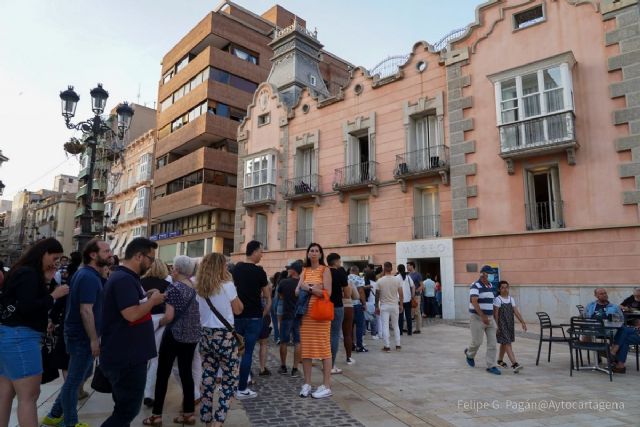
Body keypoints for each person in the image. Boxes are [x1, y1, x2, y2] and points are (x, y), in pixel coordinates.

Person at [43, 239, 112, 427]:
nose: (110, 254)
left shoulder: (88, 274)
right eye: (106, 251)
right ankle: (70, 423)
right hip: (82, 336)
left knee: (79, 376)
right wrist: (93, 340)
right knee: (74, 381)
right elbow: (85, 310)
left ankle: (55, 414)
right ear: (93, 254)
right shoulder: (88, 277)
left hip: (78, 333)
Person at [0, 239, 69, 427]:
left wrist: (46, 281)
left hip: (9, 335)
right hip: (21, 338)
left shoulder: (20, 271)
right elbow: (28, 307)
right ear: (44, 253)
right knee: (29, 395)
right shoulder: (29, 273)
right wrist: (54, 295)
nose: (55, 263)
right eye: (54, 258)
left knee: (6, 392)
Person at [100, 238, 165, 427]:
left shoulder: (127, 278)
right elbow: (131, 314)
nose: (151, 264)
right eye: (151, 259)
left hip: (128, 354)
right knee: (127, 410)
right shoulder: (124, 279)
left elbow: (129, 306)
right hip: (126, 357)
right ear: (138, 256)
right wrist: (153, 302)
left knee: (124, 408)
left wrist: (145, 297)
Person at [144, 256, 200, 426]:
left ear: (177, 270)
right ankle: (189, 413)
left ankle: (156, 415)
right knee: (186, 373)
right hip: (191, 336)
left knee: (162, 373)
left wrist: (156, 324)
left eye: (173, 268)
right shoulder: (193, 287)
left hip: (174, 335)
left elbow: (169, 317)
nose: (172, 271)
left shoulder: (175, 288)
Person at [196, 253, 243, 427]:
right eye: (225, 265)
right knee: (230, 379)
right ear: (220, 267)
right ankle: (219, 420)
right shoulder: (227, 286)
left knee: (208, 378)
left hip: (206, 336)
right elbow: (238, 310)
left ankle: (207, 419)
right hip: (224, 336)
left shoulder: (199, 288)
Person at [232, 241, 270, 400]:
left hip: (237, 316)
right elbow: (268, 297)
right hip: (254, 316)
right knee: (248, 352)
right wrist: (263, 315)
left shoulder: (236, 269)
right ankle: (242, 388)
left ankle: (232, 384)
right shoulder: (260, 272)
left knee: (235, 351)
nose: (262, 255)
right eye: (261, 252)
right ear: (254, 252)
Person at [297, 243, 333, 399]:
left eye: (317, 251)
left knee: (324, 348)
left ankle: (326, 385)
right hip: (306, 315)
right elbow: (297, 290)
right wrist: (314, 287)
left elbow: (327, 292)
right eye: (311, 250)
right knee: (306, 349)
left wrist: (309, 288)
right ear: (307, 253)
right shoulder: (304, 270)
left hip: (320, 316)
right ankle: (307, 383)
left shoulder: (325, 270)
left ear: (320, 254)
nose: (313, 253)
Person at [140, 259, 171, 408]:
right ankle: (149, 393)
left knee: (140, 358)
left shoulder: (140, 282)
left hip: (142, 319)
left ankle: (137, 389)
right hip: (160, 320)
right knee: (155, 359)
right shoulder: (167, 286)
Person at [465, 265, 501, 375]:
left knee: (492, 343)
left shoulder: (490, 285)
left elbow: (492, 303)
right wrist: (482, 316)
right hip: (477, 318)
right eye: (490, 273)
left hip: (490, 318)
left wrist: (494, 320)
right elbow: (474, 301)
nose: (492, 275)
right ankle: (469, 354)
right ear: (483, 274)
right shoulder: (475, 285)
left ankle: (491, 365)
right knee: (477, 341)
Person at [493, 281, 527, 373]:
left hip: (510, 325)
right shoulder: (497, 299)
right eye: (503, 287)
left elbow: (515, 311)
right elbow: (495, 314)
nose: (505, 289)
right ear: (499, 289)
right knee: (508, 343)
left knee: (504, 343)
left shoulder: (511, 299)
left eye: (506, 287)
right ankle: (514, 364)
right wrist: (496, 326)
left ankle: (500, 360)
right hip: (501, 325)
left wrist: (522, 322)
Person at [277, 261, 302, 377]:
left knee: (283, 341)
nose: (288, 271)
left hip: (287, 315)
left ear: (293, 271)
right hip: (299, 316)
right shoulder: (303, 284)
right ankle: (295, 368)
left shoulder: (284, 282)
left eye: (289, 269)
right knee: (298, 342)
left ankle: (283, 366)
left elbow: (280, 296)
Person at [325, 253, 347, 374]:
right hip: (337, 306)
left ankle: (323, 360)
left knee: (325, 334)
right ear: (336, 261)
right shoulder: (340, 273)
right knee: (334, 335)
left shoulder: (324, 272)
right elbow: (347, 292)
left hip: (324, 306)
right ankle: (331, 365)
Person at [375, 262, 403, 352]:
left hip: (384, 306)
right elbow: (401, 294)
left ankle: (387, 346)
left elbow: (377, 295)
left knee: (385, 326)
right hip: (395, 305)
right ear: (391, 269)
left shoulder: (380, 281)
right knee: (396, 325)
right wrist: (401, 304)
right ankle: (398, 345)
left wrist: (376, 306)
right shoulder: (397, 280)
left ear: (384, 269)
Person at [348, 266, 367, 353]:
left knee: (350, 327)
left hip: (348, 305)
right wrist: (364, 303)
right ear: (357, 271)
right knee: (359, 326)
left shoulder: (346, 278)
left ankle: (351, 345)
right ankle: (359, 346)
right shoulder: (359, 279)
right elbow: (361, 291)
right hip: (357, 305)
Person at [341, 267, 355, 365]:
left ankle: (326, 357)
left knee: (331, 334)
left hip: (336, 307)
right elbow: (356, 296)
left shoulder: (332, 281)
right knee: (348, 333)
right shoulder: (349, 283)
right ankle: (348, 357)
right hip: (348, 306)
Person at [397, 264, 414, 336]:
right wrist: (412, 296)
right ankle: (409, 332)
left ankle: (400, 332)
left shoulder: (396, 278)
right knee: (408, 317)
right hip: (408, 299)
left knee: (400, 317)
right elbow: (413, 287)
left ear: (398, 270)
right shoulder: (408, 277)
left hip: (399, 300)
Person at [406, 262, 422, 332]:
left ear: (412, 266)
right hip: (409, 296)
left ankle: (418, 329)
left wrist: (416, 291)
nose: (407, 267)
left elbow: (422, 285)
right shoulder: (408, 275)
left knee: (417, 312)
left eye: (408, 266)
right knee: (409, 312)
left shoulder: (417, 275)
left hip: (416, 296)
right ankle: (407, 327)